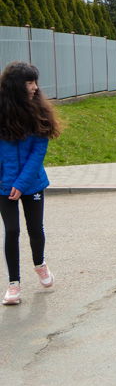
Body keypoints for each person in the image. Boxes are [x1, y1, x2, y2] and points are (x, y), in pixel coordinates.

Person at [0, 62, 62, 306]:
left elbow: (38, 152)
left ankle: (40, 264)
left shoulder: (39, 111)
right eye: (29, 82)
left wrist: (22, 183)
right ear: (16, 85)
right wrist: (7, 183)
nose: (35, 87)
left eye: (35, 82)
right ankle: (13, 284)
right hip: (4, 185)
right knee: (12, 231)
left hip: (32, 183)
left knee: (35, 230)